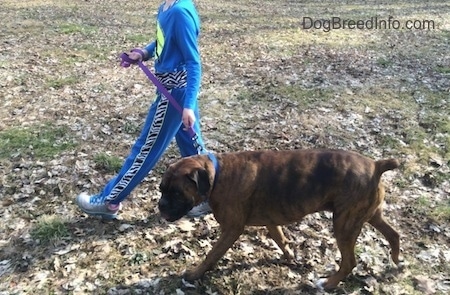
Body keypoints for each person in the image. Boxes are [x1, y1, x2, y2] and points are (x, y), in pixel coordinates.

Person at [76, 0, 211, 219]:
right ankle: (210, 196)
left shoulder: (180, 12)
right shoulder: (167, 7)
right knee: (194, 150)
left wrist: (188, 105)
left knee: (145, 149)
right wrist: (144, 53)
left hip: (174, 95)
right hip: (176, 91)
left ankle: (109, 201)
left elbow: (193, 62)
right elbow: (164, 41)